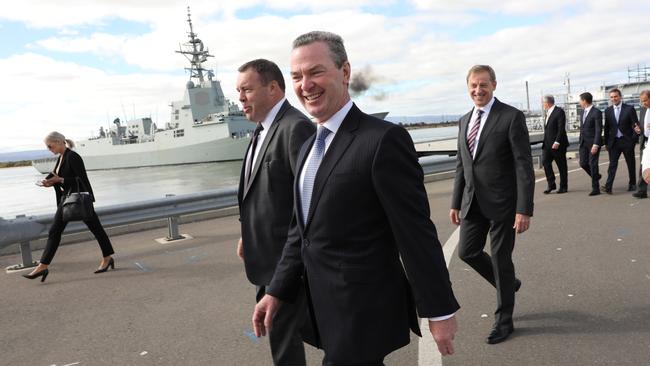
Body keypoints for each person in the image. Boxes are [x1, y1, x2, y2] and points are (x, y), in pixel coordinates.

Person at [252, 31, 459, 366]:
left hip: (362, 312)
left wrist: (440, 310)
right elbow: (299, 231)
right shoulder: (306, 147)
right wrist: (277, 289)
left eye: (316, 72)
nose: (306, 85)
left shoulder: (382, 140)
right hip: (321, 308)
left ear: (345, 72)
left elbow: (415, 234)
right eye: (297, 77)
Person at [235, 59, 315, 365]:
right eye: (238, 91)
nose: (240, 98)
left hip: (288, 265)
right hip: (269, 259)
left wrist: (287, 271)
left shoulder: (295, 127)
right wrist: (247, 232)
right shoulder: (261, 131)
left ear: (272, 88)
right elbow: (258, 192)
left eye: (247, 89)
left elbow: (306, 203)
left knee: (286, 345)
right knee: (295, 337)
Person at [450, 65, 535, 344]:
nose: (478, 90)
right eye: (473, 85)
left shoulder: (510, 117)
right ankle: (509, 284)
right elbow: (462, 165)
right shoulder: (464, 120)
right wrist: (455, 202)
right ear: (467, 87)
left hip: (504, 204)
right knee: (467, 252)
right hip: (472, 203)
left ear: (494, 85)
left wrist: (524, 208)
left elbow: (523, 166)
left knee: (500, 259)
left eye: (483, 85)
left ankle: (504, 320)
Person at [23, 132, 115, 282]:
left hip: (79, 200)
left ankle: (107, 258)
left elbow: (81, 179)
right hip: (67, 200)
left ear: (59, 142)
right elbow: (54, 174)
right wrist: (48, 182)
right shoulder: (61, 158)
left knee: (96, 229)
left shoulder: (73, 157)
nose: (48, 149)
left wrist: (60, 179)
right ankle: (43, 266)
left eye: (49, 146)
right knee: (54, 231)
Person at [602, 88, 640, 194]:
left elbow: (635, 124)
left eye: (615, 96)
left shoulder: (629, 109)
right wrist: (606, 143)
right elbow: (607, 128)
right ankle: (608, 186)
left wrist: (633, 140)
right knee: (612, 165)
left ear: (620, 97)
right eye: (611, 97)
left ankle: (632, 183)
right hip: (614, 142)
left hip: (627, 141)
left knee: (630, 163)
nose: (613, 99)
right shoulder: (608, 110)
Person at [541, 95, 569, 194]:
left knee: (561, 166)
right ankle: (551, 184)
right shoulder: (547, 113)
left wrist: (557, 141)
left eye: (543, 103)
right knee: (545, 162)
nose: (542, 105)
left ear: (547, 103)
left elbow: (561, 128)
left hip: (558, 144)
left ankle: (563, 186)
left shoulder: (559, 112)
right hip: (547, 144)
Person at [578, 92, 604, 196]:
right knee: (583, 163)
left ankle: (595, 188)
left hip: (593, 142)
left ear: (584, 100)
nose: (579, 102)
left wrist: (596, 144)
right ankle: (596, 176)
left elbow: (598, 129)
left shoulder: (596, 112)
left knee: (593, 164)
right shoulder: (582, 112)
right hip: (583, 142)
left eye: (580, 100)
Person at [632, 90, 650, 198]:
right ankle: (642, 191)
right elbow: (642, 125)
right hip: (645, 142)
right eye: (642, 101)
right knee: (643, 166)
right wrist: (638, 129)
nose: (644, 103)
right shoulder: (643, 110)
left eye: (645, 100)